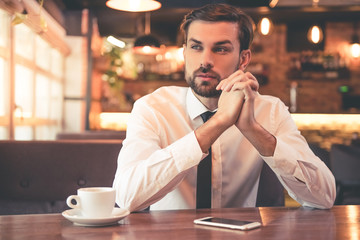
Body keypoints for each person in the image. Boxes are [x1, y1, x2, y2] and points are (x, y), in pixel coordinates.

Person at [113, 3, 336, 212]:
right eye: (196, 47)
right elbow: (126, 198)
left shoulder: (270, 111)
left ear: (243, 59)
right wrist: (218, 123)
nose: (205, 60)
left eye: (220, 49)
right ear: (184, 53)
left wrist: (253, 130)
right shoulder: (153, 108)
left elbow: (325, 197)